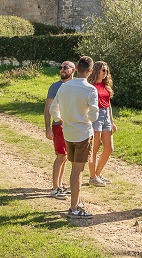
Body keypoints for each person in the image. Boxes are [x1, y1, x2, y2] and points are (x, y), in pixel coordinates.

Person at [50, 55, 99, 219]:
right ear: (91, 71)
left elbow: (53, 109)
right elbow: (93, 116)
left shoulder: (64, 87)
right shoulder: (91, 90)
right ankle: (74, 208)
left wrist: (60, 119)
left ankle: (76, 201)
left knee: (74, 168)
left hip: (68, 132)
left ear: (76, 68)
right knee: (78, 171)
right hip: (83, 133)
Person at [44, 60, 76, 199]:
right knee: (61, 155)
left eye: (66, 67)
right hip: (58, 126)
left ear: (73, 70)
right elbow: (48, 109)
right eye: (61, 67)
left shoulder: (76, 86)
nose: (62, 70)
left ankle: (60, 184)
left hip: (71, 126)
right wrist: (47, 128)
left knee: (66, 157)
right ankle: (55, 188)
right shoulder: (55, 87)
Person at [87, 61, 117, 186]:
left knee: (109, 148)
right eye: (103, 70)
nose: (105, 73)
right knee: (94, 148)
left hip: (106, 116)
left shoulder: (106, 86)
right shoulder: (91, 85)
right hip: (95, 116)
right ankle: (93, 177)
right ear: (96, 70)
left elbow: (109, 104)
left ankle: (98, 174)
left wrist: (112, 121)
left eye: (106, 71)